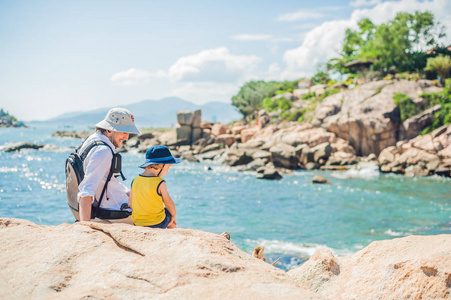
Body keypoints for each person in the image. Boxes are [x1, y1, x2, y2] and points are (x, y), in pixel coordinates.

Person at [78, 107, 141, 223]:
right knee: (164, 213)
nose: (127, 138)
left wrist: (127, 192)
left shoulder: (92, 140)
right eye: (124, 132)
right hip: (115, 212)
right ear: (109, 130)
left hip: (112, 205)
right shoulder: (103, 151)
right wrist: (85, 227)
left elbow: (105, 180)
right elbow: (86, 189)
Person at [129, 145, 181, 228]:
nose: (167, 171)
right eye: (168, 167)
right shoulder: (160, 182)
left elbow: (131, 204)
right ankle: (175, 231)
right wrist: (174, 216)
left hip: (138, 222)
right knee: (169, 212)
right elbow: (169, 203)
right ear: (160, 165)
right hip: (157, 223)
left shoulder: (135, 180)